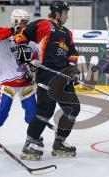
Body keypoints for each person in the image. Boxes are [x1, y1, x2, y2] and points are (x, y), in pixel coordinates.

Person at [15, 1, 80, 160]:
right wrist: (23, 50)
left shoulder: (67, 33)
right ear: (57, 13)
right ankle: (29, 144)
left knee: (73, 109)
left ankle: (60, 142)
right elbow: (21, 35)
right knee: (45, 111)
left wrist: (72, 69)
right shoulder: (44, 24)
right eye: (65, 12)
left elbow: (72, 53)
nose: (67, 15)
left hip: (64, 78)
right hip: (47, 75)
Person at [0, 9, 38, 128]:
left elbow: (36, 58)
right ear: (15, 21)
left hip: (25, 83)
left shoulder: (30, 40)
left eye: (27, 22)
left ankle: (32, 138)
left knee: (33, 114)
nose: (26, 25)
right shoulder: (5, 38)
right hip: (7, 82)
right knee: (2, 112)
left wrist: (33, 67)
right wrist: (12, 31)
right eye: (23, 22)